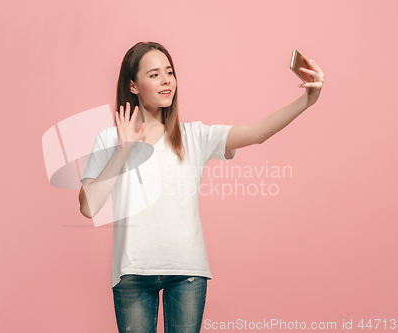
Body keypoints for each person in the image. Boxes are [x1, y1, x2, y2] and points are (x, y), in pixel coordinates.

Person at [78, 41, 324, 333]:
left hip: (187, 272)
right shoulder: (109, 139)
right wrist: (123, 151)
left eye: (169, 72)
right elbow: (88, 206)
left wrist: (307, 101)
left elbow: (256, 134)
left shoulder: (194, 136)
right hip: (132, 271)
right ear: (133, 85)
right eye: (154, 74)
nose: (166, 80)